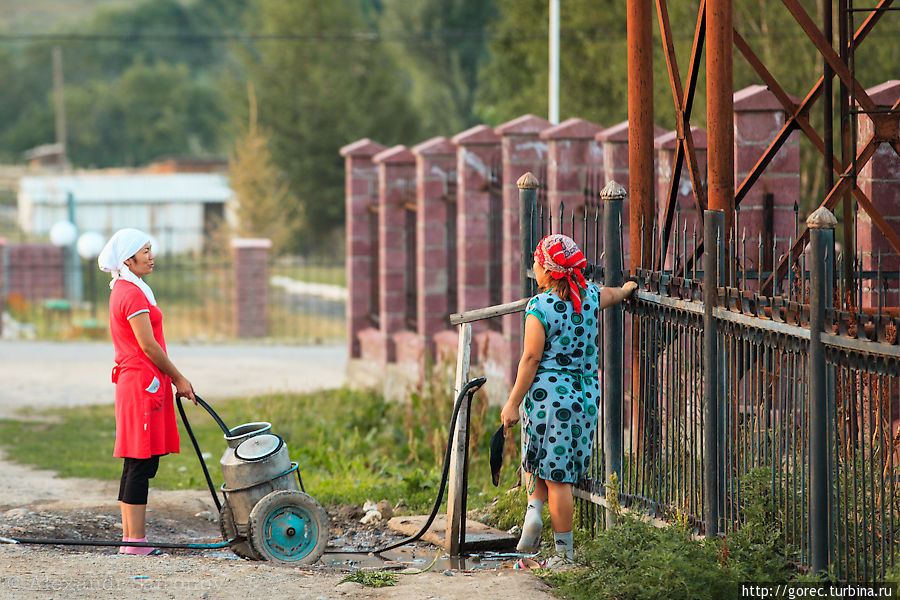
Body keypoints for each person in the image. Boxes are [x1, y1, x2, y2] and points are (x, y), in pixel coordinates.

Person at [500, 233, 637, 562]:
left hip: (547, 399)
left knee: (544, 464)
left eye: (536, 262)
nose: (533, 267)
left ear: (549, 271)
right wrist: (628, 290)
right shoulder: (588, 297)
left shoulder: (539, 307)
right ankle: (544, 529)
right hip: (584, 398)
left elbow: (531, 358)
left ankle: (558, 549)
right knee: (557, 467)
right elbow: (612, 294)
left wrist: (512, 402)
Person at [98, 228, 196, 556]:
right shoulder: (131, 294)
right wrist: (180, 379)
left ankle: (132, 540)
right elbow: (149, 346)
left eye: (151, 249)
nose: (151, 256)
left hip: (141, 383)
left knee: (138, 461)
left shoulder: (127, 289)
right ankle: (135, 542)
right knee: (139, 461)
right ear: (128, 259)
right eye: (145, 250)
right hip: (141, 384)